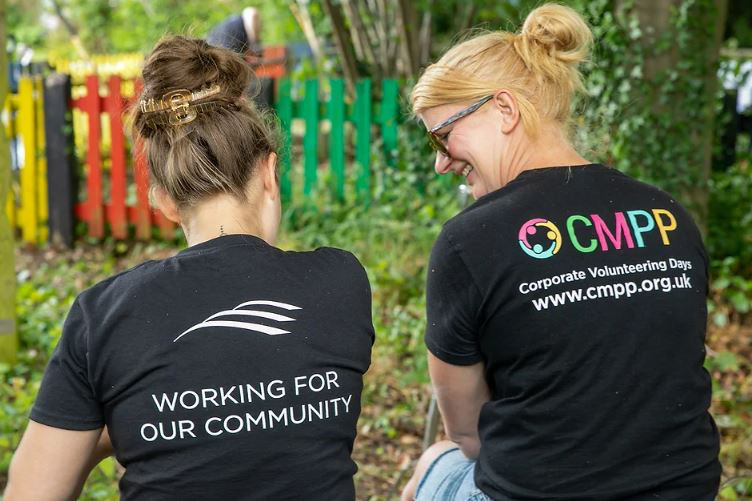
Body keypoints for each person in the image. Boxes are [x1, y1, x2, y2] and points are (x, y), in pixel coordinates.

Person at [5, 36, 374, 501]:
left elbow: (31, 493)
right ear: (269, 172)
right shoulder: (341, 281)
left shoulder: (105, 315)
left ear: (163, 200)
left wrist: (130, 418)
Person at [402, 4, 721, 500]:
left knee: (434, 460)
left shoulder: (469, 240)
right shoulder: (669, 214)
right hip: (684, 491)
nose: (442, 163)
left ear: (504, 110)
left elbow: (468, 435)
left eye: (443, 137)